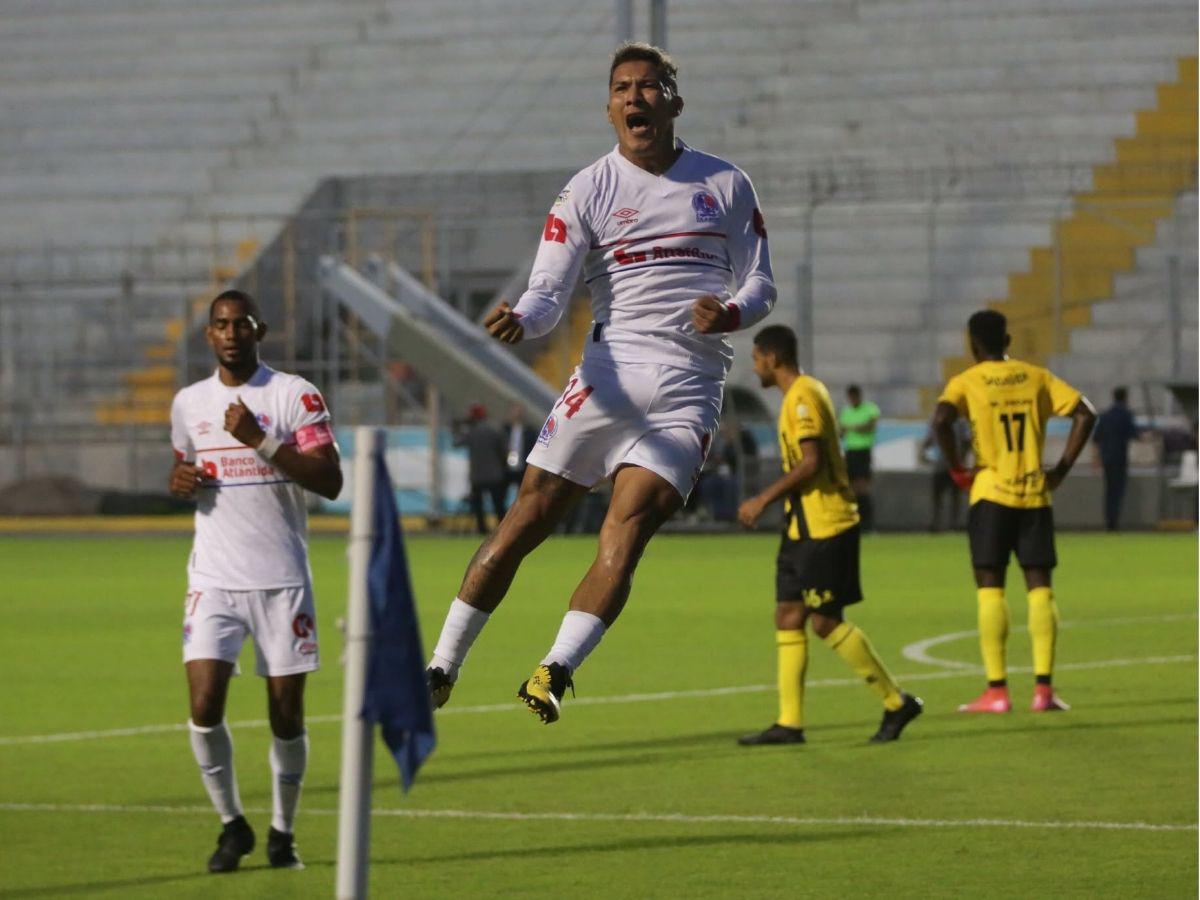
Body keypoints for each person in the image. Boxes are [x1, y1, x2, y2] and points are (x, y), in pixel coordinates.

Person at [425, 41, 776, 723]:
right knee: (526, 520)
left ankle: (554, 669)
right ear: (609, 107)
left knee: (627, 530)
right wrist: (522, 320)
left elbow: (761, 282)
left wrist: (731, 311)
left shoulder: (726, 183)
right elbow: (547, 293)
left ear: (674, 100)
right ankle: (441, 665)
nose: (634, 97)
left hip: (687, 388)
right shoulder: (586, 189)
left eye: (648, 86)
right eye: (622, 88)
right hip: (606, 379)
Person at [169, 290, 343, 873]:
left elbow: (330, 480)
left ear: (258, 330)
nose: (230, 334)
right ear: (209, 335)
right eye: (220, 325)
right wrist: (180, 481)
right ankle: (232, 825)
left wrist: (260, 441)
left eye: (240, 324)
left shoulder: (293, 394)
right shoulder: (189, 403)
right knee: (203, 705)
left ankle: (282, 833)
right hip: (213, 579)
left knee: (285, 717)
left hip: (281, 580)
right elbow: (183, 467)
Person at [735, 326, 922, 745]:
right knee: (788, 614)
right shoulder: (796, 396)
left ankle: (896, 702)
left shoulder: (803, 396)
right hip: (801, 527)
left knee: (825, 621)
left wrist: (762, 499)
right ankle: (789, 723)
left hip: (827, 525)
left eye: (756, 358)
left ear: (772, 358)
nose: (755, 366)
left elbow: (811, 462)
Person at [933, 310, 1095, 714]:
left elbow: (941, 420)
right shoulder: (1036, 377)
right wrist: (1060, 470)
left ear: (972, 345)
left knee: (990, 587)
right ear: (1007, 341)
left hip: (990, 492)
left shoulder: (966, 381)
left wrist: (957, 468)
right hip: (1034, 493)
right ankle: (1043, 691)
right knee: (1040, 587)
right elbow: (1085, 413)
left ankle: (997, 691)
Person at [453, 403, 508, 534]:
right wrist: (503, 466)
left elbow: (456, 443)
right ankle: (503, 529)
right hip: (495, 474)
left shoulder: (471, 432)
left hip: (477, 476)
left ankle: (482, 529)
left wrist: (457, 427)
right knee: (498, 505)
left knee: (478, 506)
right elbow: (504, 452)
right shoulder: (494, 430)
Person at [1093, 387, 1142, 531]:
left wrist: (1096, 458)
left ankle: (1109, 521)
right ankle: (1114, 521)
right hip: (1120, 458)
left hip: (1107, 458)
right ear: (1125, 397)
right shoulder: (1126, 415)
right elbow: (1135, 435)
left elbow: (1096, 438)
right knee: (1118, 490)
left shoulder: (1105, 415)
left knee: (1109, 490)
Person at [838, 385, 880, 530]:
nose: (853, 400)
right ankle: (854, 522)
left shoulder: (870, 409)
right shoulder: (846, 412)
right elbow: (841, 432)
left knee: (863, 487)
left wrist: (852, 427)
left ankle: (868, 523)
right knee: (850, 488)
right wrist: (852, 428)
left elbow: (870, 426)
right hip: (850, 452)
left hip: (863, 451)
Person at [920, 417, 972, 532]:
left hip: (952, 465)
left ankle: (952, 523)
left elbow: (967, 441)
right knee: (941, 496)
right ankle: (938, 523)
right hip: (945, 465)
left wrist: (960, 459)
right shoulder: (940, 421)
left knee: (952, 495)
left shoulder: (958, 422)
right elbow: (967, 441)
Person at [505, 403, 538, 494]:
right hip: (506, 468)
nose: (517, 414)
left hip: (522, 467)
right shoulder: (505, 429)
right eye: (515, 411)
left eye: (519, 412)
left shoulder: (530, 431)